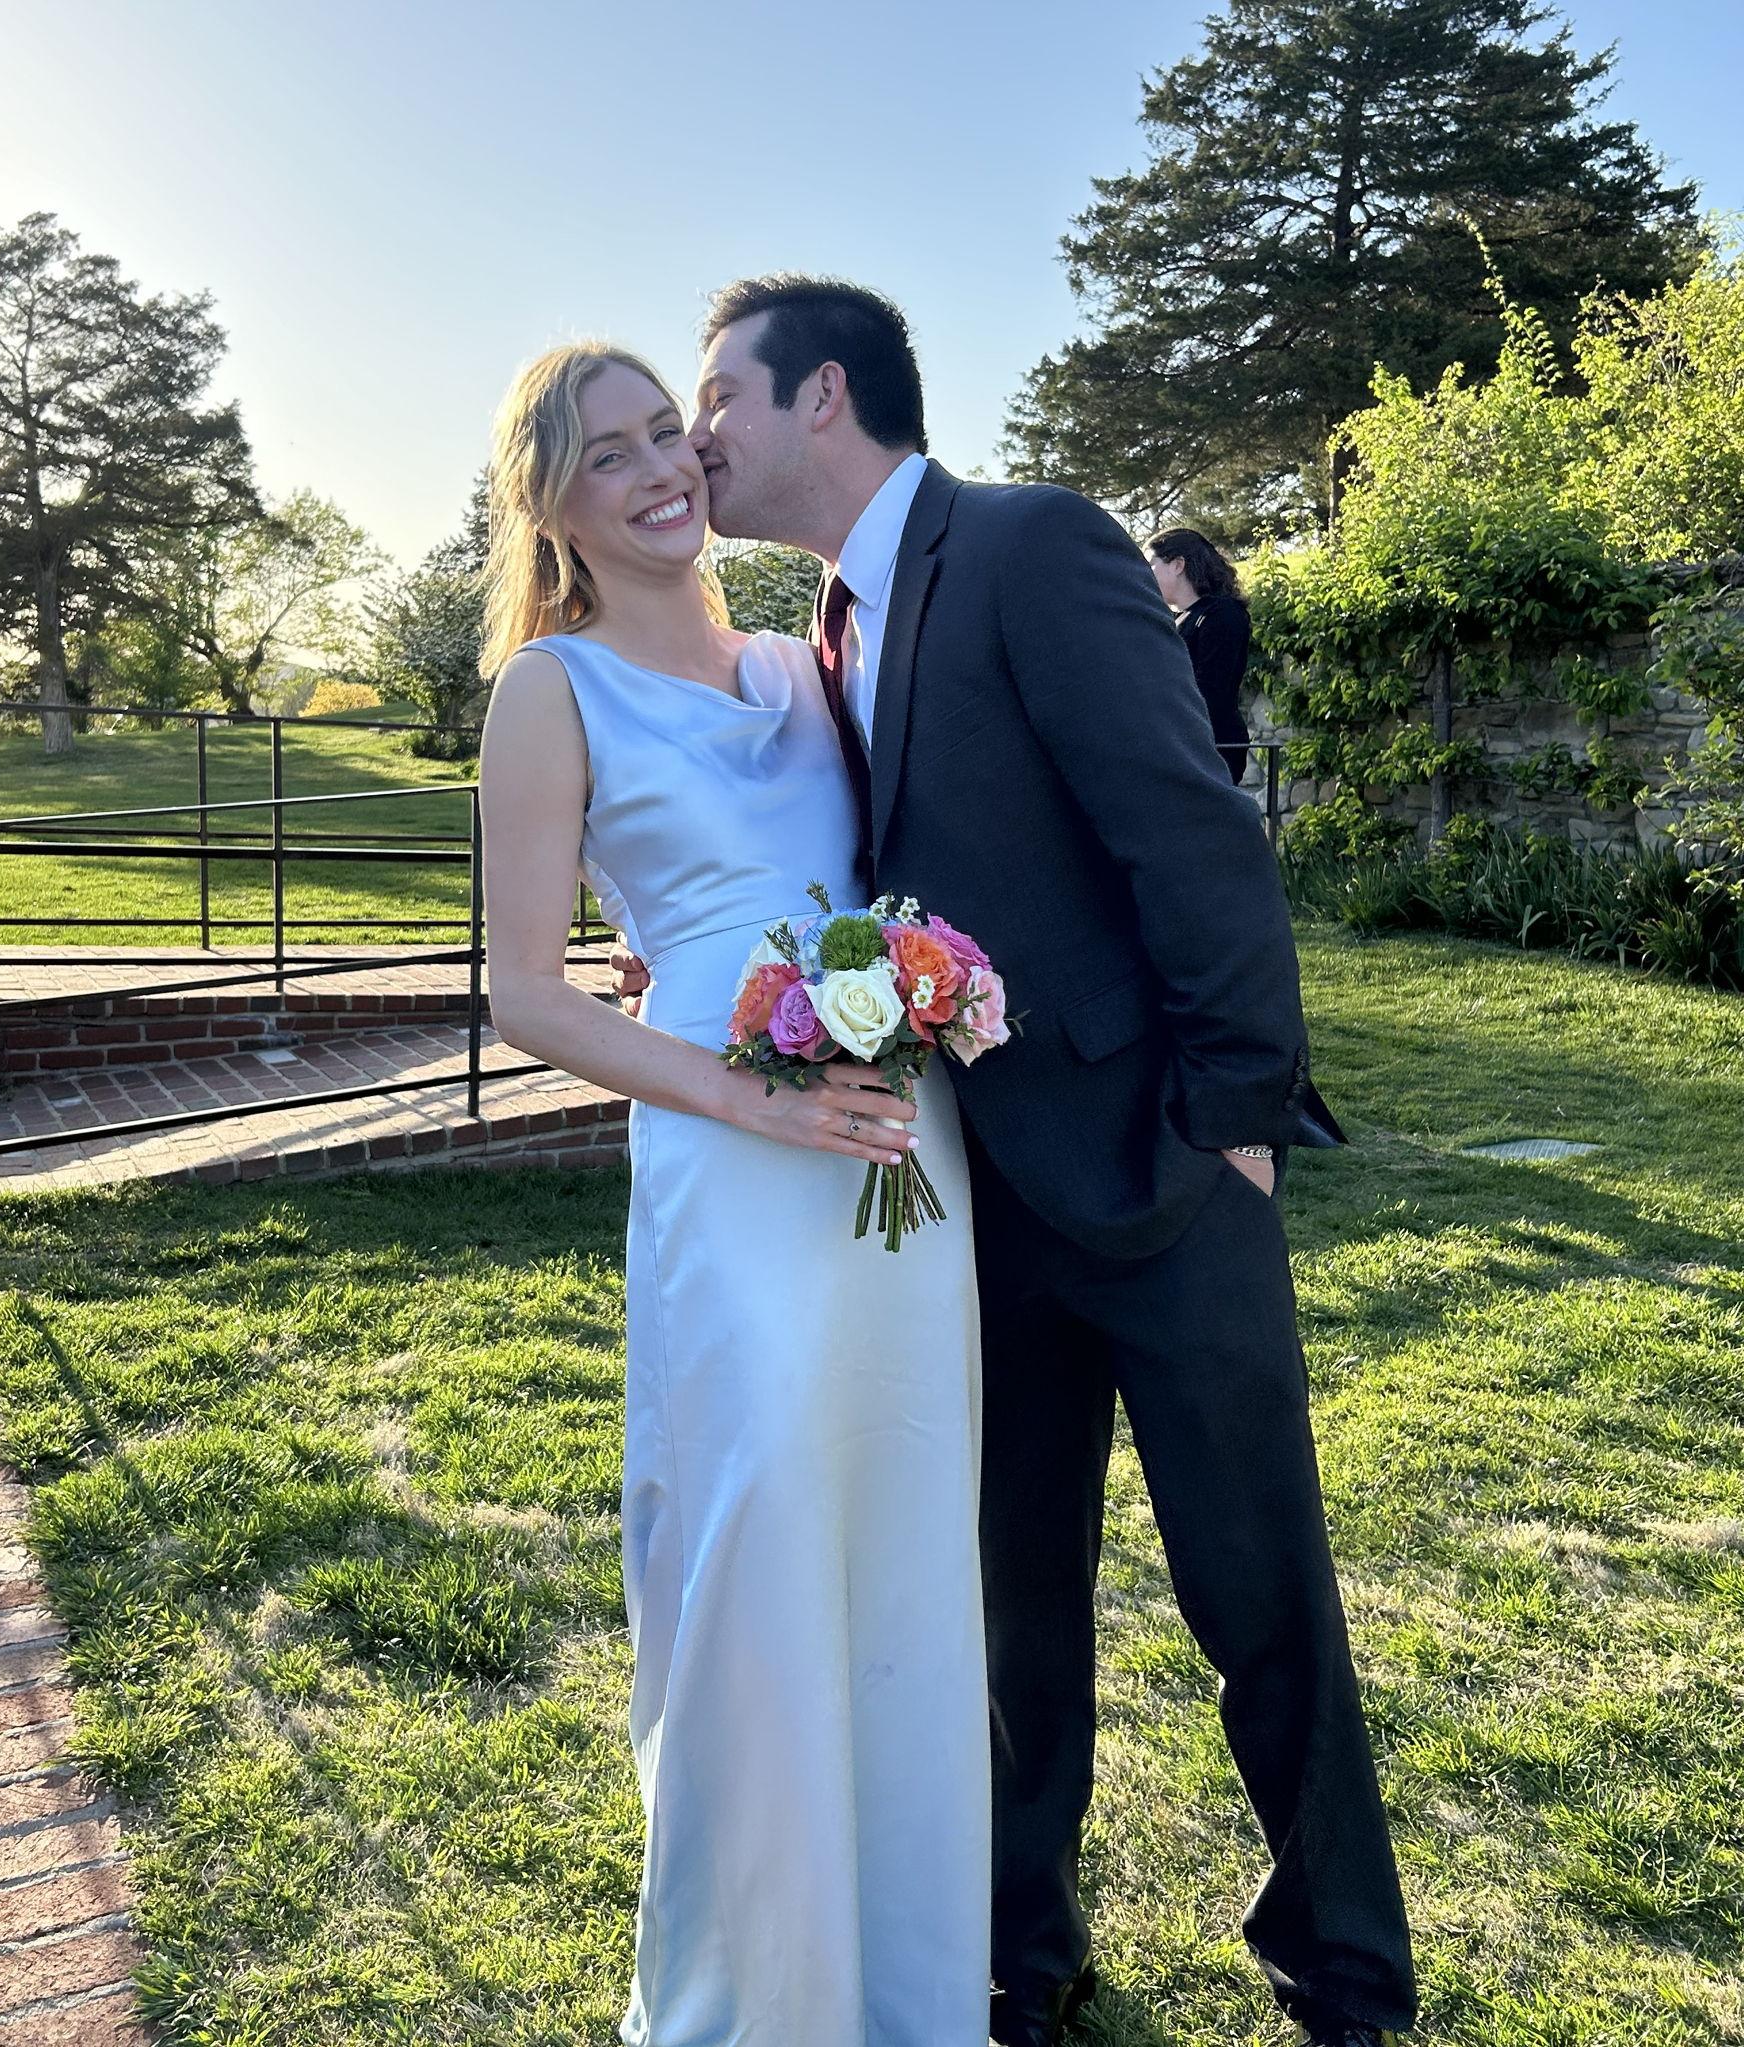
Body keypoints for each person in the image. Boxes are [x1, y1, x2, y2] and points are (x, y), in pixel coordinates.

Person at [616, 274, 1418, 2047]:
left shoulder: (1034, 543)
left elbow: (1187, 830)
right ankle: (1020, 1955)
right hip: (963, 1215)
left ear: (821, 394)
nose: (695, 439)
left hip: (1156, 1178)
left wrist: (1232, 1118)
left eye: (714, 398)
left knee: (1258, 1594)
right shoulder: (817, 637)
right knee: (1003, 1613)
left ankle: (1344, 1979)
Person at [475, 342, 990, 2046]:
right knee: (757, 1536)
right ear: (547, 503)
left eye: (662, 434)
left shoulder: (804, 658)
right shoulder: (547, 693)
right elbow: (528, 993)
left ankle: (912, 1987)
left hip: (893, 1143)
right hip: (729, 1146)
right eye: (603, 455)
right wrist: (738, 1093)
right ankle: (755, 2002)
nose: (655, 471)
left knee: (903, 1533)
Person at [1147, 526, 1251, 783]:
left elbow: (1210, 690)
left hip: (1210, 747)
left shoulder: (1222, 614)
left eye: (1152, 565)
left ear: (1178, 565)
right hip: (1181, 745)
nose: (1147, 575)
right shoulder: (1177, 619)